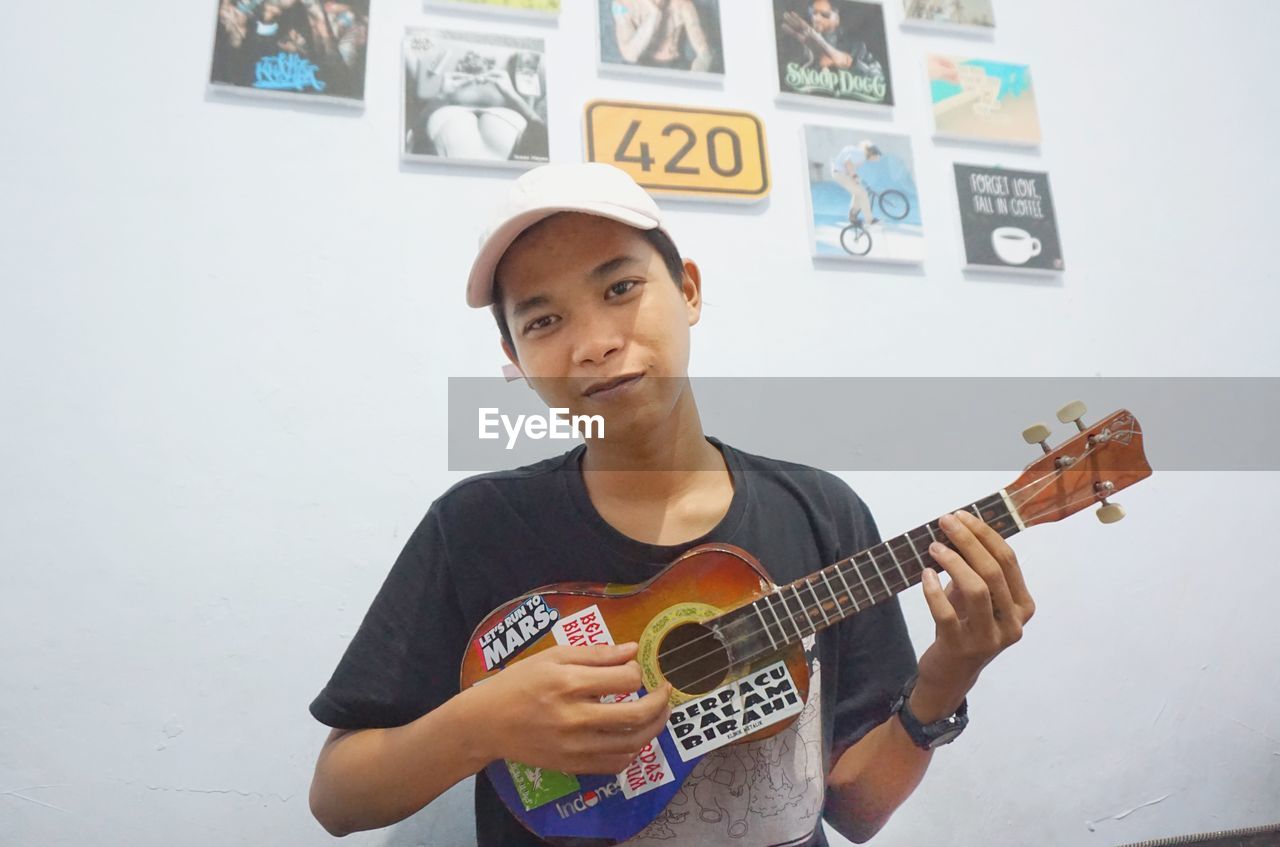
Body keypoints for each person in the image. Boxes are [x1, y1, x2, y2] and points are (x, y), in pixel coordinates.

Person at [306, 163, 1036, 845]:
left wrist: (947, 674)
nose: (594, 342)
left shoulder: (820, 511)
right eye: (543, 321)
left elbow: (856, 808)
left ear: (688, 289)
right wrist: (483, 723)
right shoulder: (475, 527)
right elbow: (337, 797)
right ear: (514, 360)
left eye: (620, 288)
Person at [407, 46, 548, 162]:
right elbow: (540, 132)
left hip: (443, 105)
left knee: (413, 56)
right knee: (538, 63)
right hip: (511, 109)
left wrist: (440, 96)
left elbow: (414, 137)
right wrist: (512, 96)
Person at [781, 0, 882, 76]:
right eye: (813, 13)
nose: (816, 18)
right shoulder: (802, 44)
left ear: (837, 19)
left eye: (824, 14)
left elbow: (877, 76)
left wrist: (850, 63)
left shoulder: (856, 46)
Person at [609, 0, 716, 72]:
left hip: (674, 68)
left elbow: (705, 54)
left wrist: (694, 82)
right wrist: (654, 14)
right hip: (640, 69)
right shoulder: (621, 4)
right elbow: (630, 55)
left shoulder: (682, 4)